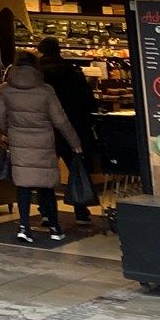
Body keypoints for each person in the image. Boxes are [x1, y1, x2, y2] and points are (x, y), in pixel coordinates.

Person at [0, 54, 82, 245]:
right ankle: (54, 227)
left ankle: (24, 227)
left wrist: (7, 131)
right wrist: (75, 142)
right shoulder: (46, 90)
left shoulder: (6, 90)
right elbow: (60, 120)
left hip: (18, 140)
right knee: (46, 185)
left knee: (23, 185)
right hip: (43, 141)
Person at [37, 36, 99, 225]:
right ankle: (81, 210)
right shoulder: (72, 72)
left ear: (41, 51)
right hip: (71, 126)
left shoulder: (37, 74)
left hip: (44, 128)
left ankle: (46, 211)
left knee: (44, 171)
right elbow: (88, 101)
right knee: (76, 167)